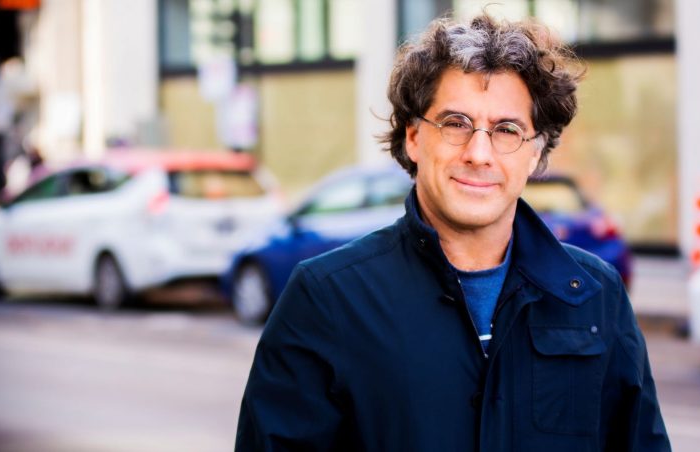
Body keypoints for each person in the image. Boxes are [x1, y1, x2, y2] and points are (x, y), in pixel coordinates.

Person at [235, 13, 671, 451]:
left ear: (536, 153)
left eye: (507, 130)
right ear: (413, 138)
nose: (478, 153)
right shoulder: (326, 299)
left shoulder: (596, 296)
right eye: (456, 124)